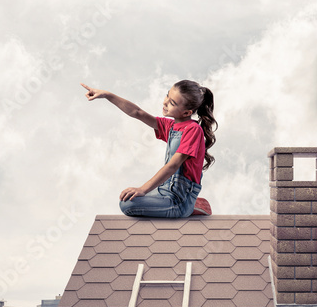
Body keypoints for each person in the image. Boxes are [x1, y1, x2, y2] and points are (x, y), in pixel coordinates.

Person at [81, 80, 217, 218]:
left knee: (127, 206)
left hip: (178, 199)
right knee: (128, 198)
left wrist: (143, 189)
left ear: (186, 112)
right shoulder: (170, 126)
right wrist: (107, 95)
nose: (165, 102)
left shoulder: (193, 130)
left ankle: (188, 205)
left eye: (172, 103)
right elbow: (137, 112)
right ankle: (193, 203)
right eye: (167, 96)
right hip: (164, 190)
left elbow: (173, 165)